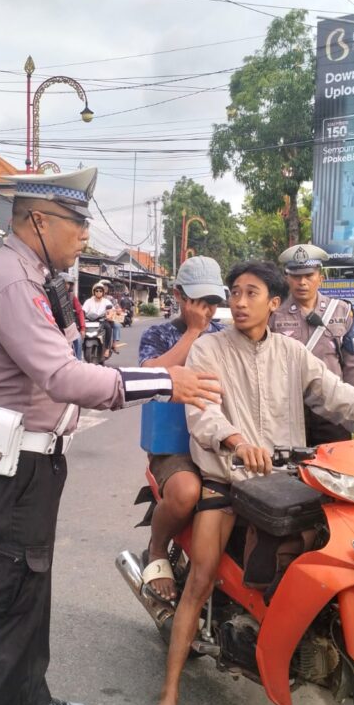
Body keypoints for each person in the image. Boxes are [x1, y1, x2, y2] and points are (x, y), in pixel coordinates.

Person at [0, 166, 221, 705]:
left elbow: (73, 353)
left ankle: (26, 696)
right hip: (9, 466)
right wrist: (165, 383)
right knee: (2, 600)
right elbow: (65, 376)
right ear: (39, 221)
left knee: (31, 587)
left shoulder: (39, 278)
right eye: (76, 223)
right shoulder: (9, 283)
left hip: (33, 463)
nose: (83, 236)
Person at [149, 259, 354, 705]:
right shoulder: (208, 350)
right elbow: (203, 413)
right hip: (226, 477)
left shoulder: (293, 354)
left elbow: (338, 395)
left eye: (250, 293)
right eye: (234, 292)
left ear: (274, 303)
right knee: (201, 577)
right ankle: (169, 697)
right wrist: (234, 439)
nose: (237, 302)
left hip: (285, 483)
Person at [138, 256, 227, 603]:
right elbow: (149, 376)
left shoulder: (227, 335)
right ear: (179, 296)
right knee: (187, 492)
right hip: (174, 444)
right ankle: (157, 548)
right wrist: (193, 333)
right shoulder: (158, 334)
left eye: (213, 302)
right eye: (199, 301)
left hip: (219, 438)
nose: (206, 310)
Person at [270, 243, 354, 445]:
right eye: (296, 276)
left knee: (335, 468)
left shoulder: (341, 312)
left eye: (308, 275)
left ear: (320, 278)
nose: (302, 282)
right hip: (289, 411)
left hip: (332, 409)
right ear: (287, 278)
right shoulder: (273, 314)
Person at [82, 282, 116, 359]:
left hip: (102, 320)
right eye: (97, 291)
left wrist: (109, 316)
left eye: (100, 291)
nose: (98, 292)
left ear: (103, 292)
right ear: (94, 292)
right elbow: (83, 311)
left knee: (108, 328)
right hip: (90, 321)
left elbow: (111, 310)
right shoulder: (88, 301)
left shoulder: (106, 301)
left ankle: (107, 348)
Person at [59, 272, 84, 360]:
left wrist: (82, 328)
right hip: (55, 327)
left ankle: (78, 363)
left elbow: (79, 311)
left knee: (78, 339)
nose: (66, 285)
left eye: (68, 283)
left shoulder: (72, 296)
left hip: (69, 326)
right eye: (64, 283)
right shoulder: (51, 295)